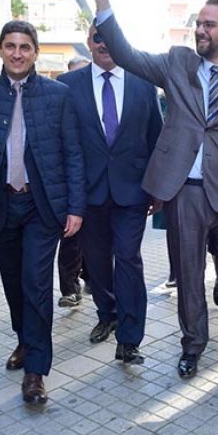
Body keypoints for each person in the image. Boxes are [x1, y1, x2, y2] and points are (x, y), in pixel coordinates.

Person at [93, 0, 218, 396]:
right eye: (198, 23)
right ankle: (192, 346)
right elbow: (127, 55)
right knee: (190, 279)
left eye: (210, 25)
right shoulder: (177, 63)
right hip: (185, 193)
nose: (200, 30)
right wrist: (102, 1)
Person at [0, 20, 85, 405]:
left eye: (25, 47)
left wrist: (76, 207)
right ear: (0, 49)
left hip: (41, 206)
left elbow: (73, 153)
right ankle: (24, 339)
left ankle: (36, 370)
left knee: (36, 284)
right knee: (14, 283)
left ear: (35, 52)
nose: (17, 53)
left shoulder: (59, 95)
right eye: (10, 46)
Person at [58, 24, 162, 362]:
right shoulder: (66, 85)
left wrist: (158, 189)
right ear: (88, 42)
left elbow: (156, 137)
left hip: (132, 192)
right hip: (87, 193)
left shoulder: (143, 83)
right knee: (97, 261)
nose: (104, 44)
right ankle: (108, 314)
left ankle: (129, 338)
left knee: (128, 258)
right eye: (97, 38)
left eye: (109, 37)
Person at [56, 55, 92, 308]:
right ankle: (69, 288)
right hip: (68, 183)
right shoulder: (61, 100)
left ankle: (91, 278)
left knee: (95, 238)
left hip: (97, 182)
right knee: (70, 237)